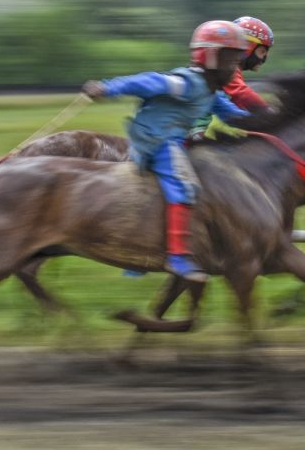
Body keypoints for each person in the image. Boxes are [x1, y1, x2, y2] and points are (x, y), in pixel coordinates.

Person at [82, 20, 252, 283]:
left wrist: (271, 121)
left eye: (238, 60)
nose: (236, 68)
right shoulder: (188, 83)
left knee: (163, 191)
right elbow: (148, 82)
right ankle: (177, 258)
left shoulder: (211, 93)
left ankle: (138, 255)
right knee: (184, 188)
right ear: (211, 57)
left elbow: (235, 116)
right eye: (231, 60)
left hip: (165, 140)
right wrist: (107, 88)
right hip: (158, 141)